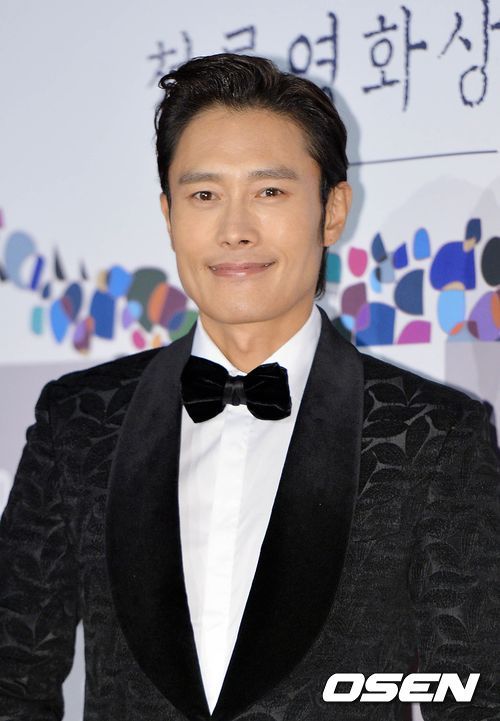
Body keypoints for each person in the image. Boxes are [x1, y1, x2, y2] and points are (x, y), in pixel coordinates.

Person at [0, 53, 498, 721]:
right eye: (204, 195)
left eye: (270, 192)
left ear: (332, 211)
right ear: (169, 215)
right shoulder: (78, 420)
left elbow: (474, 696)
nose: (234, 230)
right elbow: (13, 675)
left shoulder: (434, 434)